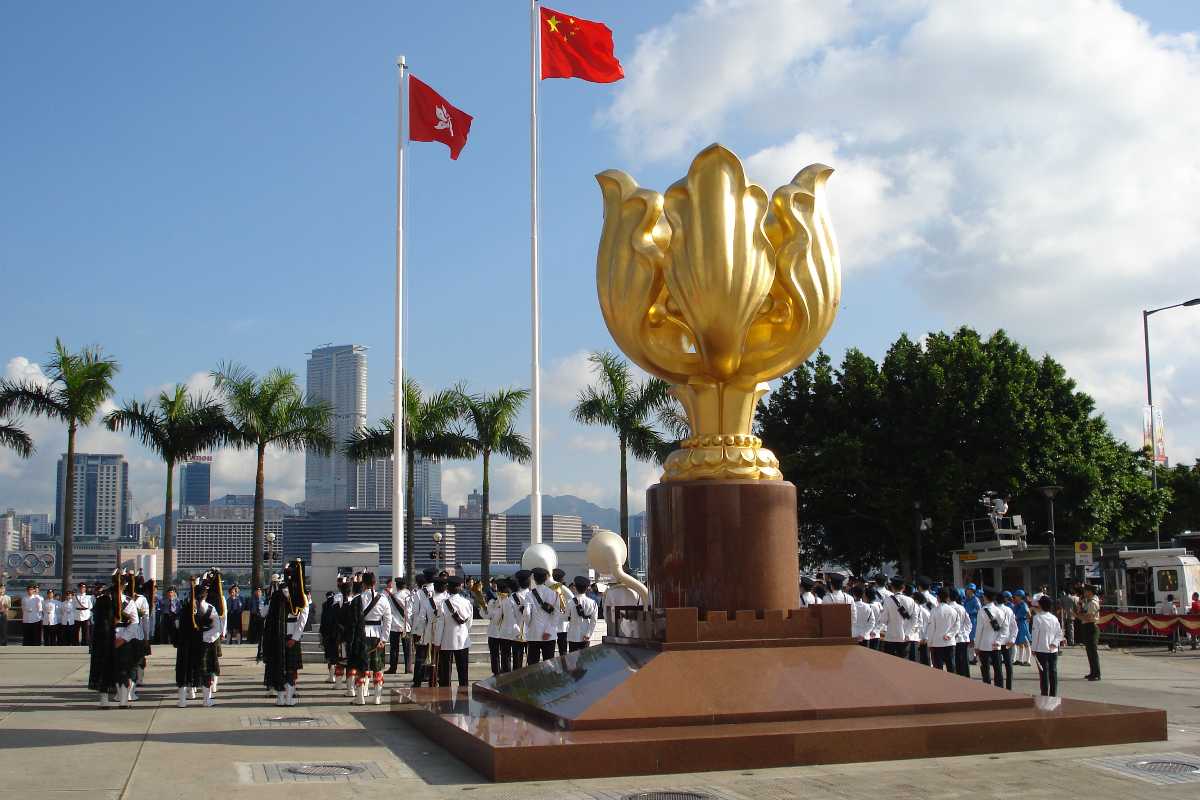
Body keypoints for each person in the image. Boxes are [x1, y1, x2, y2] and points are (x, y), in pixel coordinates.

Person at [262, 560, 310, 706]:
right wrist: (295, 638)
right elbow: (303, 619)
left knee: (279, 667)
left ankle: (280, 698)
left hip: (277, 636)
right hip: (291, 637)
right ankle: (288, 698)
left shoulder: (276, 595)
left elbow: (266, 614)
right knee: (290, 669)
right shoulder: (299, 596)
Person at [345, 571, 392, 705]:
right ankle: (377, 698)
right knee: (378, 668)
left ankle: (360, 698)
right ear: (375, 583)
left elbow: (352, 621)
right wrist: (384, 638)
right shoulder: (383, 599)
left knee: (361, 668)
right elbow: (388, 620)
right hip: (377, 636)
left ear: (363, 584)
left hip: (361, 636)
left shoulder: (357, 599)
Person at [174, 575, 221, 707]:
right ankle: (206, 700)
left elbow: (177, 625)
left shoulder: (184, 608)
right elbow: (217, 628)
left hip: (187, 644)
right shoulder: (211, 609)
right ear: (205, 596)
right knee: (205, 671)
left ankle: (182, 701)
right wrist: (205, 637)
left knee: (185, 671)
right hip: (204, 645)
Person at [438, 576, 473, 687]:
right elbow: (469, 623)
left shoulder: (443, 604)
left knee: (445, 673)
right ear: (460, 587)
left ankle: (445, 695)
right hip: (463, 640)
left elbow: (440, 626)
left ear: (448, 588)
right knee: (463, 672)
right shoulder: (467, 602)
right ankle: (464, 695)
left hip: (447, 640)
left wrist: (437, 642)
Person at [88, 581, 117, 707]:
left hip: (101, 638)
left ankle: (105, 698)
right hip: (107, 638)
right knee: (106, 670)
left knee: (101, 669)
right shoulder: (107, 602)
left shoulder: (101, 601)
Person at [1031, 595, 1065, 696]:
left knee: (1043, 673)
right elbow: (1060, 633)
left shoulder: (1037, 618)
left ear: (1040, 605)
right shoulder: (1054, 618)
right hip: (1053, 650)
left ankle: (1044, 694)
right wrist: (1054, 643)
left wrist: (1033, 649)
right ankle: (1053, 694)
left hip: (1041, 649)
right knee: (1053, 672)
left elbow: (1035, 635)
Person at [527, 567, 561, 664]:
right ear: (546, 578)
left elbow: (526, 614)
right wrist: (548, 630)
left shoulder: (529, 595)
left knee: (532, 664)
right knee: (549, 663)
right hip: (549, 635)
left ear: (534, 579)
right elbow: (557, 614)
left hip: (534, 634)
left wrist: (530, 625)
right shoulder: (554, 594)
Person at [974, 588, 1005, 688]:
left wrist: (976, 645)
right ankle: (1000, 689)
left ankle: (987, 690)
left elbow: (979, 630)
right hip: (996, 645)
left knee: (985, 670)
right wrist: (999, 641)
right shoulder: (1000, 611)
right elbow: (1005, 629)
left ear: (985, 597)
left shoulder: (982, 611)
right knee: (998, 669)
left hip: (984, 644)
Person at [880, 578, 916, 659]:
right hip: (905, 636)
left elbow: (884, 619)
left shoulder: (887, 600)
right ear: (903, 588)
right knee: (903, 662)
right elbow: (914, 619)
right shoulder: (911, 600)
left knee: (889, 662)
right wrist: (908, 633)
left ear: (892, 587)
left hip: (891, 636)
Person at [499, 575, 529, 672]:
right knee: (533, 662)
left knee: (517, 662)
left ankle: (517, 683)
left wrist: (517, 632)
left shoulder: (510, 599)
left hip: (517, 635)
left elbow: (510, 618)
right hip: (531, 633)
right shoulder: (532, 595)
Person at [927, 587, 958, 672]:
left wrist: (929, 643)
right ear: (948, 598)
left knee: (938, 668)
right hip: (950, 642)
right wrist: (950, 635)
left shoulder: (934, 611)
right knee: (951, 666)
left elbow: (931, 628)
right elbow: (957, 626)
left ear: (938, 598)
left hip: (937, 643)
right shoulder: (953, 611)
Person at [385, 578, 412, 675]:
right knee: (407, 649)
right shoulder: (410, 596)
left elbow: (389, 611)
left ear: (397, 586)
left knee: (394, 648)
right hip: (406, 625)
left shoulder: (393, 596)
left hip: (395, 626)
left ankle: (393, 668)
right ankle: (408, 668)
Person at [1074, 584, 1101, 681]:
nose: (1084, 593)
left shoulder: (1093, 603)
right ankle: (1092, 672)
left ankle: (1096, 674)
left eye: (1085, 591)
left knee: (1092, 652)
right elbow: (1083, 613)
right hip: (1087, 626)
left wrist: (1078, 616)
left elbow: (1089, 617)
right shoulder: (1088, 602)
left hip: (1091, 626)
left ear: (1090, 592)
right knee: (1089, 651)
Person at [566, 576, 598, 651]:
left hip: (573, 635)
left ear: (575, 587)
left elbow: (565, 616)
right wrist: (588, 634)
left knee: (573, 660)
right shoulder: (592, 602)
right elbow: (594, 620)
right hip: (585, 634)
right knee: (584, 660)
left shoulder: (570, 602)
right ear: (587, 588)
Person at [320, 585, 343, 684]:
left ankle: (331, 676)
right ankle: (339, 678)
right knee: (338, 656)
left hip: (327, 634)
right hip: (337, 634)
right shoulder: (339, 604)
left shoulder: (325, 605)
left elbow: (323, 621)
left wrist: (322, 634)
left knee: (329, 656)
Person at [996, 590, 1016, 690]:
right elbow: (1014, 626)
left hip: (996, 641)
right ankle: (1009, 687)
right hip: (1007, 640)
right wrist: (1012, 639)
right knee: (1008, 665)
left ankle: (999, 687)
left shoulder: (994, 610)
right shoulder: (1009, 610)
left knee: (998, 665)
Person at [950, 588, 973, 678]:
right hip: (963, 639)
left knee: (955, 663)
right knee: (964, 663)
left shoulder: (949, 608)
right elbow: (969, 624)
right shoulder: (962, 608)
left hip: (952, 639)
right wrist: (964, 633)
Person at [550, 568, 572, 657]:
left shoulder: (549, 588)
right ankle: (564, 668)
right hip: (563, 623)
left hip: (551, 623)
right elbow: (572, 600)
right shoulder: (564, 589)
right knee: (563, 651)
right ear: (561, 579)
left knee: (550, 652)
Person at [485, 579, 503, 674]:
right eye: (493, 583)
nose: (495, 585)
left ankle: (498, 673)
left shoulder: (493, 601)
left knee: (497, 654)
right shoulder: (492, 600)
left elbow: (488, 615)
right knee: (500, 654)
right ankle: (499, 673)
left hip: (497, 631)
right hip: (499, 632)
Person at [911, 590, 931, 665]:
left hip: (923, 640)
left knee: (925, 660)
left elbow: (930, 625)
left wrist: (925, 637)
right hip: (915, 638)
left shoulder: (925, 612)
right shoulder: (912, 610)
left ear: (916, 600)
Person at [962, 584, 981, 664]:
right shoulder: (966, 599)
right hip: (966, 620)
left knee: (973, 639)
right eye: (967, 589)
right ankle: (971, 657)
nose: (968, 591)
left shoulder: (975, 599)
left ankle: (973, 657)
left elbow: (979, 610)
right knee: (969, 639)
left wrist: (971, 612)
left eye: (969, 589)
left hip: (973, 620)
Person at [1012, 589, 1032, 666]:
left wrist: (1026, 621)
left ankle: (1028, 660)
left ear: (1020, 597)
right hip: (1018, 623)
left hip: (1022, 623)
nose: (1015, 597)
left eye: (1017, 596)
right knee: (1020, 642)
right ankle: (1020, 660)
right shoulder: (1017, 605)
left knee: (1025, 641)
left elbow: (1029, 614)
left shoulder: (1023, 604)